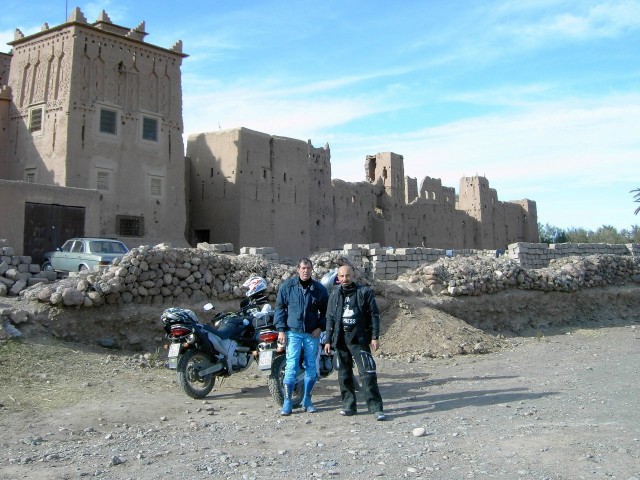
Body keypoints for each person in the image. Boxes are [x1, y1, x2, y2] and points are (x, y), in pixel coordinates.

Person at [324, 265, 386, 420]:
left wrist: (375, 336)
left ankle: (376, 408)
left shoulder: (364, 292)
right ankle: (349, 406)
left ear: (353, 276)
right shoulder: (334, 294)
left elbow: (374, 315)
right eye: (342, 276)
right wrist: (328, 340)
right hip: (340, 339)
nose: (345, 279)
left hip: (359, 338)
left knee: (367, 373)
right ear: (338, 278)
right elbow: (330, 318)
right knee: (344, 374)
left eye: (347, 275)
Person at [274, 258, 329, 415]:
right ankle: (287, 402)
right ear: (298, 269)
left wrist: (320, 327)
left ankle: (307, 400)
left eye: (308, 268)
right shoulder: (287, 287)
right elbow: (279, 308)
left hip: (312, 334)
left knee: (311, 367)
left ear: (312, 270)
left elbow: (327, 312)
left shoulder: (319, 289)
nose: (306, 271)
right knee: (291, 367)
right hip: (293, 333)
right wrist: (281, 330)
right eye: (303, 268)